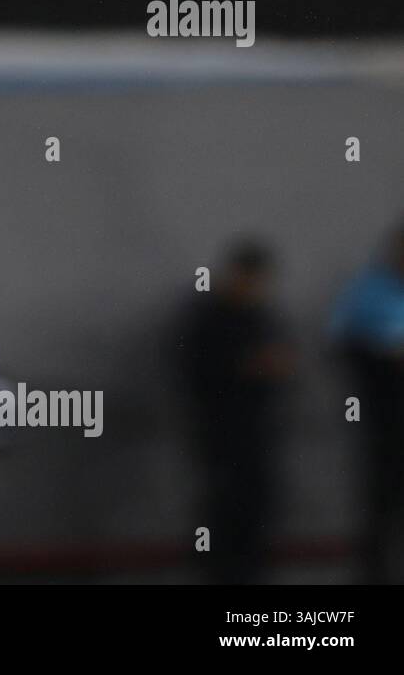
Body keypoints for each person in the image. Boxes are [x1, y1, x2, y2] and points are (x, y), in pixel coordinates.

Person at [175, 238, 294, 584]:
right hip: (220, 436)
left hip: (257, 435)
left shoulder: (259, 317)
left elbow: (281, 362)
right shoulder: (207, 319)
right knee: (222, 516)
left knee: (255, 515)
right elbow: (197, 371)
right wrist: (249, 366)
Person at [328, 219, 404, 583]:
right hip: (386, 419)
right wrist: (384, 356)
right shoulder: (368, 293)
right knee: (382, 500)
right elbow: (345, 347)